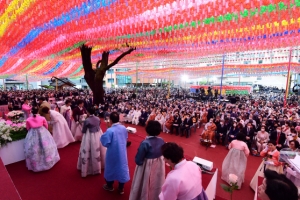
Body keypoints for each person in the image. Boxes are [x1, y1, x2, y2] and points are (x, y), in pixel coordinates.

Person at [129, 121, 165, 200]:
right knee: (156, 182)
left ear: (147, 129)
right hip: (158, 166)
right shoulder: (161, 140)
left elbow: (138, 160)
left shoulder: (145, 143)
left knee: (145, 184)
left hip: (146, 167)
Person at [100, 112, 130, 195]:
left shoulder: (110, 130)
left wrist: (107, 128)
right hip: (122, 152)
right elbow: (126, 138)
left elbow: (104, 142)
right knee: (122, 167)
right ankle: (121, 188)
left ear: (111, 120)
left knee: (111, 167)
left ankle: (110, 186)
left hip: (112, 152)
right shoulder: (123, 128)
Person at [24, 107, 60, 172]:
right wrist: (46, 131)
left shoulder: (28, 119)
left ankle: (36, 163)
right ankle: (48, 161)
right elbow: (46, 125)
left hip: (32, 132)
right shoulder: (42, 118)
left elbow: (28, 128)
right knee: (46, 146)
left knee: (34, 147)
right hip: (42, 131)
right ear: (38, 111)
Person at [77, 107, 106, 177]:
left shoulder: (87, 120)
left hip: (89, 135)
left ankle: (86, 168)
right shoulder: (98, 118)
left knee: (87, 149)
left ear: (88, 112)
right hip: (98, 134)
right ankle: (99, 166)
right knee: (98, 149)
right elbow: (99, 125)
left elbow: (83, 130)